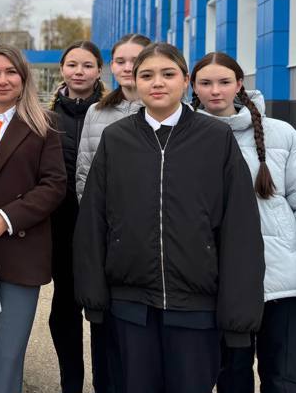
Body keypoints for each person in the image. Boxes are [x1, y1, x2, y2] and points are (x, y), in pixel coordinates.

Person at [74, 43, 265, 393]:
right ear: (136, 80)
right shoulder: (116, 139)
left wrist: (238, 315)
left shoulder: (216, 138)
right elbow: (93, 221)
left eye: (168, 74)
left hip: (195, 309)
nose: (157, 82)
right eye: (146, 75)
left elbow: (240, 229)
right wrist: (93, 297)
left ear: (186, 80)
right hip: (130, 307)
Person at [190, 52, 296, 393]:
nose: (216, 90)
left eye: (225, 81)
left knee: (283, 380)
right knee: (231, 378)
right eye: (205, 83)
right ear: (194, 88)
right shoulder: (185, 140)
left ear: (240, 85)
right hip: (224, 286)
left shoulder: (281, 134)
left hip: (284, 288)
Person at [0, 43, 66, 393]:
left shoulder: (44, 124)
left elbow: (54, 186)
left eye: (10, 72)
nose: (2, 80)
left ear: (23, 77)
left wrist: (6, 218)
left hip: (20, 251)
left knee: (8, 354)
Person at [74, 32, 149, 393]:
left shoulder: (171, 112)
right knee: (106, 339)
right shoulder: (97, 112)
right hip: (109, 240)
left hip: (152, 244)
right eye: (120, 60)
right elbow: (84, 175)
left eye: (136, 60)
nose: (128, 67)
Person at [47, 41, 105, 393]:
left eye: (87, 65)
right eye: (72, 65)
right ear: (62, 70)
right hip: (62, 224)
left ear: (100, 70)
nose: (79, 71)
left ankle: (106, 381)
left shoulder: (116, 111)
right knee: (64, 308)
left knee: (101, 311)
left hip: (103, 225)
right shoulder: (47, 116)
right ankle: (71, 381)